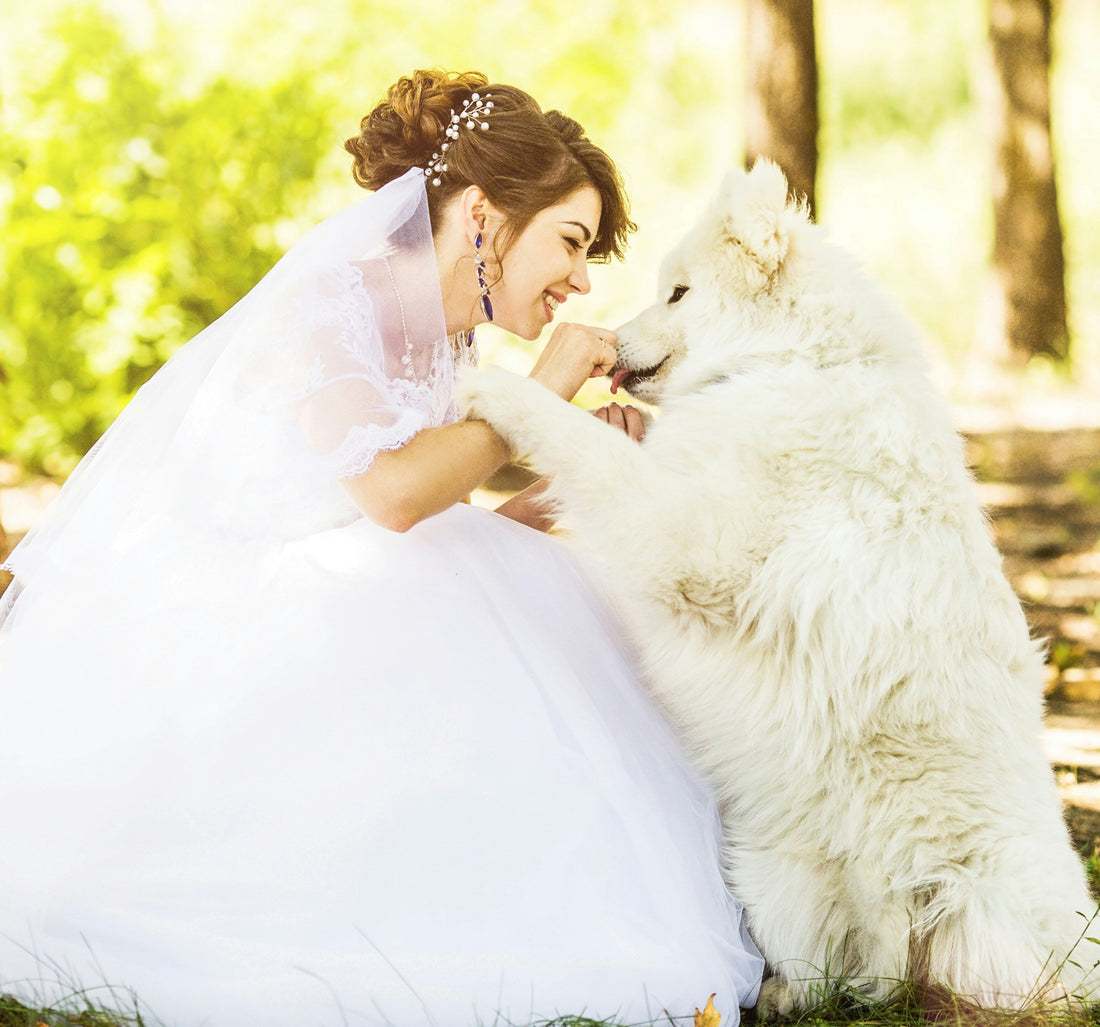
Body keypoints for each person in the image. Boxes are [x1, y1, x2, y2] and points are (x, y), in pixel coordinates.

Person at [0, 70, 763, 1026]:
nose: (581, 281)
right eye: (571, 242)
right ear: (482, 214)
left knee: (542, 617)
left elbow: (445, 541)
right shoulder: (331, 305)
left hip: (357, 591)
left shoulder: (451, 340)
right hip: (245, 616)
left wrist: (572, 475)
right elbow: (393, 499)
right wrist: (542, 394)